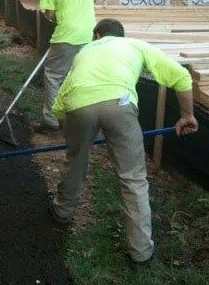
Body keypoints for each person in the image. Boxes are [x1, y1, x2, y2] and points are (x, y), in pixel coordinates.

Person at [49, 18, 199, 264]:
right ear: (122, 35)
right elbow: (181, 76)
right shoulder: (135, 45)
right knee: (133, 178)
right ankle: (140, 251)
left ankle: (62, 211)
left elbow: (62, 98)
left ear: (97, 35)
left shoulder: (85, 51)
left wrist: (70, 132)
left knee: (76, 163)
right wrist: (187, 116)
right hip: (120, 104)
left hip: (78, 105)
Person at [36, 0, 108, 134]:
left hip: (66, 36)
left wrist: (54, 16)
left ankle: (51, 121)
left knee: (53, 76)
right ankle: (79, 119)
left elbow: (49, 14)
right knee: (78, 75)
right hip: (87, 34)